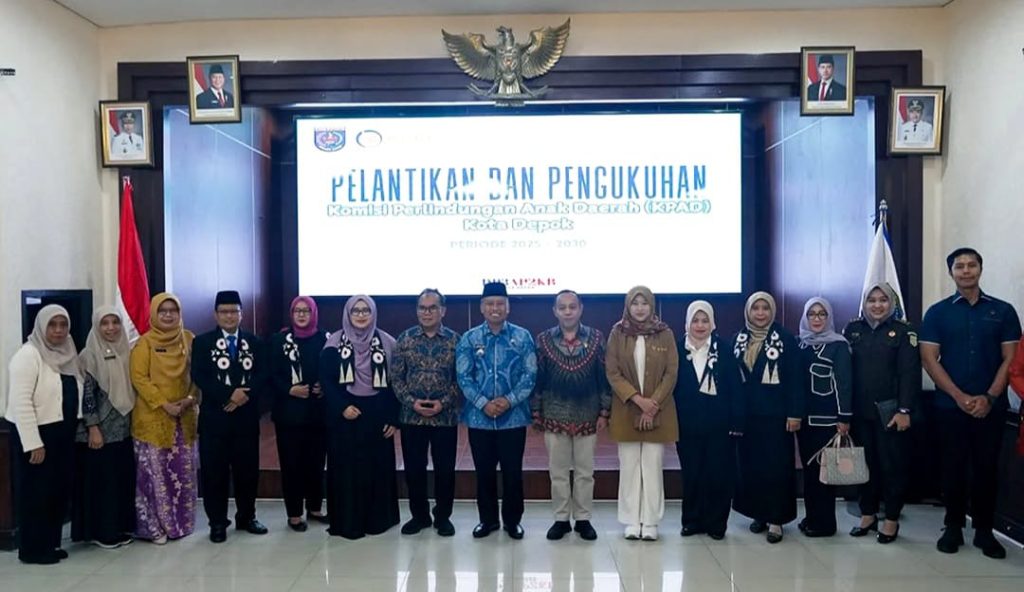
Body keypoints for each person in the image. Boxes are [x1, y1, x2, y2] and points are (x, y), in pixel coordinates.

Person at [920, 248, 1021, 559]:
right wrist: (959, 396)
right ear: (951, 273)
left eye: (971, 265)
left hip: (991, 408)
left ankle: (984, 532)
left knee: (986, 469)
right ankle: (953, 527)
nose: (966, 271)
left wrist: (989, 397)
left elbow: (1011, 360)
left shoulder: (1003, 311)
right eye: (959, 266)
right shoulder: (937, 313)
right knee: (952, 468)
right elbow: (929, 360)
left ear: (980, 269)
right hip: (949, 407)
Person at [456, 281, 537, 540]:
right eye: (490, 303)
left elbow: (530, 375)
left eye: (500, 303)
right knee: (484, 472)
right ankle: (488, 520)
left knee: (513, 473)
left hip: (513, 418)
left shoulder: (522, 337)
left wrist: (508, 401)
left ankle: (513, 521)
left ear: (508, 307)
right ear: (482, 307)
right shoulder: (470, 338)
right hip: (479, 419)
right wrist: (484, 403)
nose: (495, 308)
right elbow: (463, 376)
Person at [3, 305, 83, 564]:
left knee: (57, 491)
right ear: (41, 326)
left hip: (62, 432)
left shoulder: (69, 353)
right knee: (36, 493)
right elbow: (20, 402)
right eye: (52, 325)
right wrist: (33, 443)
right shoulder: (28, 355)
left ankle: (49, 543)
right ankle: (32, 550)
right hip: (37, 434)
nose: (58, 330)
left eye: (63, 324)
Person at [844, 283, 920, 544]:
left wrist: (904, 409)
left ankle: (891, 519)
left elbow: (909, 373)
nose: (877, 305)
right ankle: (867, 514)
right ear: (864, 303)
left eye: (883, 300)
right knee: (864, 466)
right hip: (859, 411)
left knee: (892, 467)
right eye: (872, 300)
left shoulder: (904, 331)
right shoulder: (853, 330)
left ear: (892, 303)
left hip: (890, 412)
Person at [532, 290, 610, 542]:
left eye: (572, 306)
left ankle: (584, 519)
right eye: (562, 307)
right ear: (554, 311)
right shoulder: (543, 340)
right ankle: (561, 519)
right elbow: (538, 379)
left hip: (588, 415)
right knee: (558, 472)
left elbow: (603, 378)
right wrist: (536, 412)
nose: (568, 311)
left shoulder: (597, 338)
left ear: (580, 309)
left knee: (585, 472)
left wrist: (604, 411)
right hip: (553, 415)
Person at [320, 295, 400, 539]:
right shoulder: (333, 343)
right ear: (348, 314)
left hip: (378, 417)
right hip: (345, 417)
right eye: (356, 310)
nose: (361, 315)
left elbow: (396, 384)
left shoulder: (388, 343)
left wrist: (393, 418)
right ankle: (348, 522)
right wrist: (342, 407)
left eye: (366, 310)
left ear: (373, 313)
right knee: (347, 470)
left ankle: (377, 521)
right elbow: (326, 382)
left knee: (377, 469)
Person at [191, 290, 268, 543]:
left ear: (241, 314)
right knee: (215, 474)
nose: (229, 316)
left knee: (247, 472)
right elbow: (199, 376)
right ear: (216, 315)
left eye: (234, 311)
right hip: (215, 420)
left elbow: (263, 374)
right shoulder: (202, 342)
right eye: (224, 311)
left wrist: (244, 395)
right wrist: (228, 395)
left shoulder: (254, 342)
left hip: (246, 419)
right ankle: (217, 522)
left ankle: (247, 517)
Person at [606, 286, 678, 541]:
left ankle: (650, 522)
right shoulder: (617, 332)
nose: (639, 308)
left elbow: (671, 372)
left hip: (659, 411)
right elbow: (612, 372)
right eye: (635, 303)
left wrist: (652, 404)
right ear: (628, 306)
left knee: (652, 465)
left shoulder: (664, 333)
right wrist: (638, 400)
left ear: (652, 306)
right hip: (626, 409)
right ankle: (631, 521)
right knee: (629, 466)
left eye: (644, 303)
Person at [732, 291, 802, 543]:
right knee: (752, 467)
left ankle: (776, 520)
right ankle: (759, 514)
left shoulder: (785, 339)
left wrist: (795, 413)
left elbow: (795, 379)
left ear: (772, 311)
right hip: (748, 418)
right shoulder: (738, 338)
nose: (760, 313)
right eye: (755, 308)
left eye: (765, 308)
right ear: (748, 311)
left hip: (776, 417)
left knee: (776, 468)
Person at [130, 293, 199, 544]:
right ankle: (154, 527)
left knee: (183, 474)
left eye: (173, 310)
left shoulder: (189, 339)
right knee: (154, 476)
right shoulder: (144, 343)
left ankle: (181, 524)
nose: (168, 315)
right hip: (154, 419)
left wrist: (190, 399)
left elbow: (199, 374)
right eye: (162, 311)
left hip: (185, 417)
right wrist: (164, 404)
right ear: (154, 314)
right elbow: (139, 378)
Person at [392, 289, 461, 537]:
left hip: (445, 417)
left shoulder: (456, 341)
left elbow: (461, 379)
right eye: (423, 308)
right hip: (412, 417)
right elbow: (396, 378)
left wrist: (444, 402)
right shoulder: (405, 339)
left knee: (445, 470)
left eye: (433, 308)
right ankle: (419, 516)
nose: (427, 312)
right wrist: (412, 402)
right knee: (414, 470)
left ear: (443, 311)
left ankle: (443, 517)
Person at [673, 300, 742, 540]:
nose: (700, 325)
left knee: (718, 475)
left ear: (712, 323)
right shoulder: (677, 349)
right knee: (692, 474)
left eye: (705, 320)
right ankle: (692, 521)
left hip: (720, 426)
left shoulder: (724, 349)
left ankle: (716, 523)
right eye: (695, 320)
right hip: (687, 425)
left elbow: (735, 387)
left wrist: (737, 421)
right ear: (687, 323)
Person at [71, 307, 136, 549]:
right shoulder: (88, 355)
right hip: (100, 431)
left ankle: (119, 527)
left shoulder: (127, 350)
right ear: (96, 326)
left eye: (115, 322)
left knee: (120, 481)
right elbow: (86, 395)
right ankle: (102, 532)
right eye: (104, 323)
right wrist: (93, 427)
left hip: (123, 429)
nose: (111, 328)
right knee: (103, 484)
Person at [269, 296, 328, 532]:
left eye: (306, 311)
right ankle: (294, 514)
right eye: (297, 311)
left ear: (314, 313)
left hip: (318, 414)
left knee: (316, 463)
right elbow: (270, 373)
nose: (302, 315)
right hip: (289, 414)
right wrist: (289, 389)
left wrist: (324, 386)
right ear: (291, 314)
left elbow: (332, 370)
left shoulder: (325, 339)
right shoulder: (279, 340)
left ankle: (315, 508)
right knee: (292, 464)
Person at [795, 297, 852, 538]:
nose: (816, 319)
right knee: (810, 474)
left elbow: (844, 384)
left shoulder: (838, 346)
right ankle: (812, 517)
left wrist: (844, 418)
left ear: (829, 318)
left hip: (828, 422)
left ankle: (824, 524)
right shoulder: (801, 344)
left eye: (822, 314)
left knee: (825, 475)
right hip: (804, 421)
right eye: (812, 314)